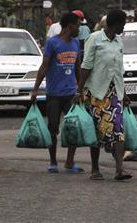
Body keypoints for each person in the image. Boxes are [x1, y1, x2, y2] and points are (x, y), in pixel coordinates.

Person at [77, 9, 131, 181]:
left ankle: (119, 170)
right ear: (116, 24)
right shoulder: (95, 39)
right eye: (123, 23)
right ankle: (95, 169)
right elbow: (86, 66)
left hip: (114, 93)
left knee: (118, 131)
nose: (124, 26)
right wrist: (79, 90)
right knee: (97, 133)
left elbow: (119, 70)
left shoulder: (119, 41)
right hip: (96, 92)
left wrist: (125, 93)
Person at [31, 12, 83, 173]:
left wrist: (81, 90)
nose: (79, 29)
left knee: (73, 127)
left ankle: (69, 161)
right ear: (70, 26)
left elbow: (78, 69)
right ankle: (53, 162)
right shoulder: (52, 43)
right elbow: (44, 67)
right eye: (78, 25)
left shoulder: (76, 44)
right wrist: (35, 89)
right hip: (54, 94)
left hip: (71, 94)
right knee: (53, 128)